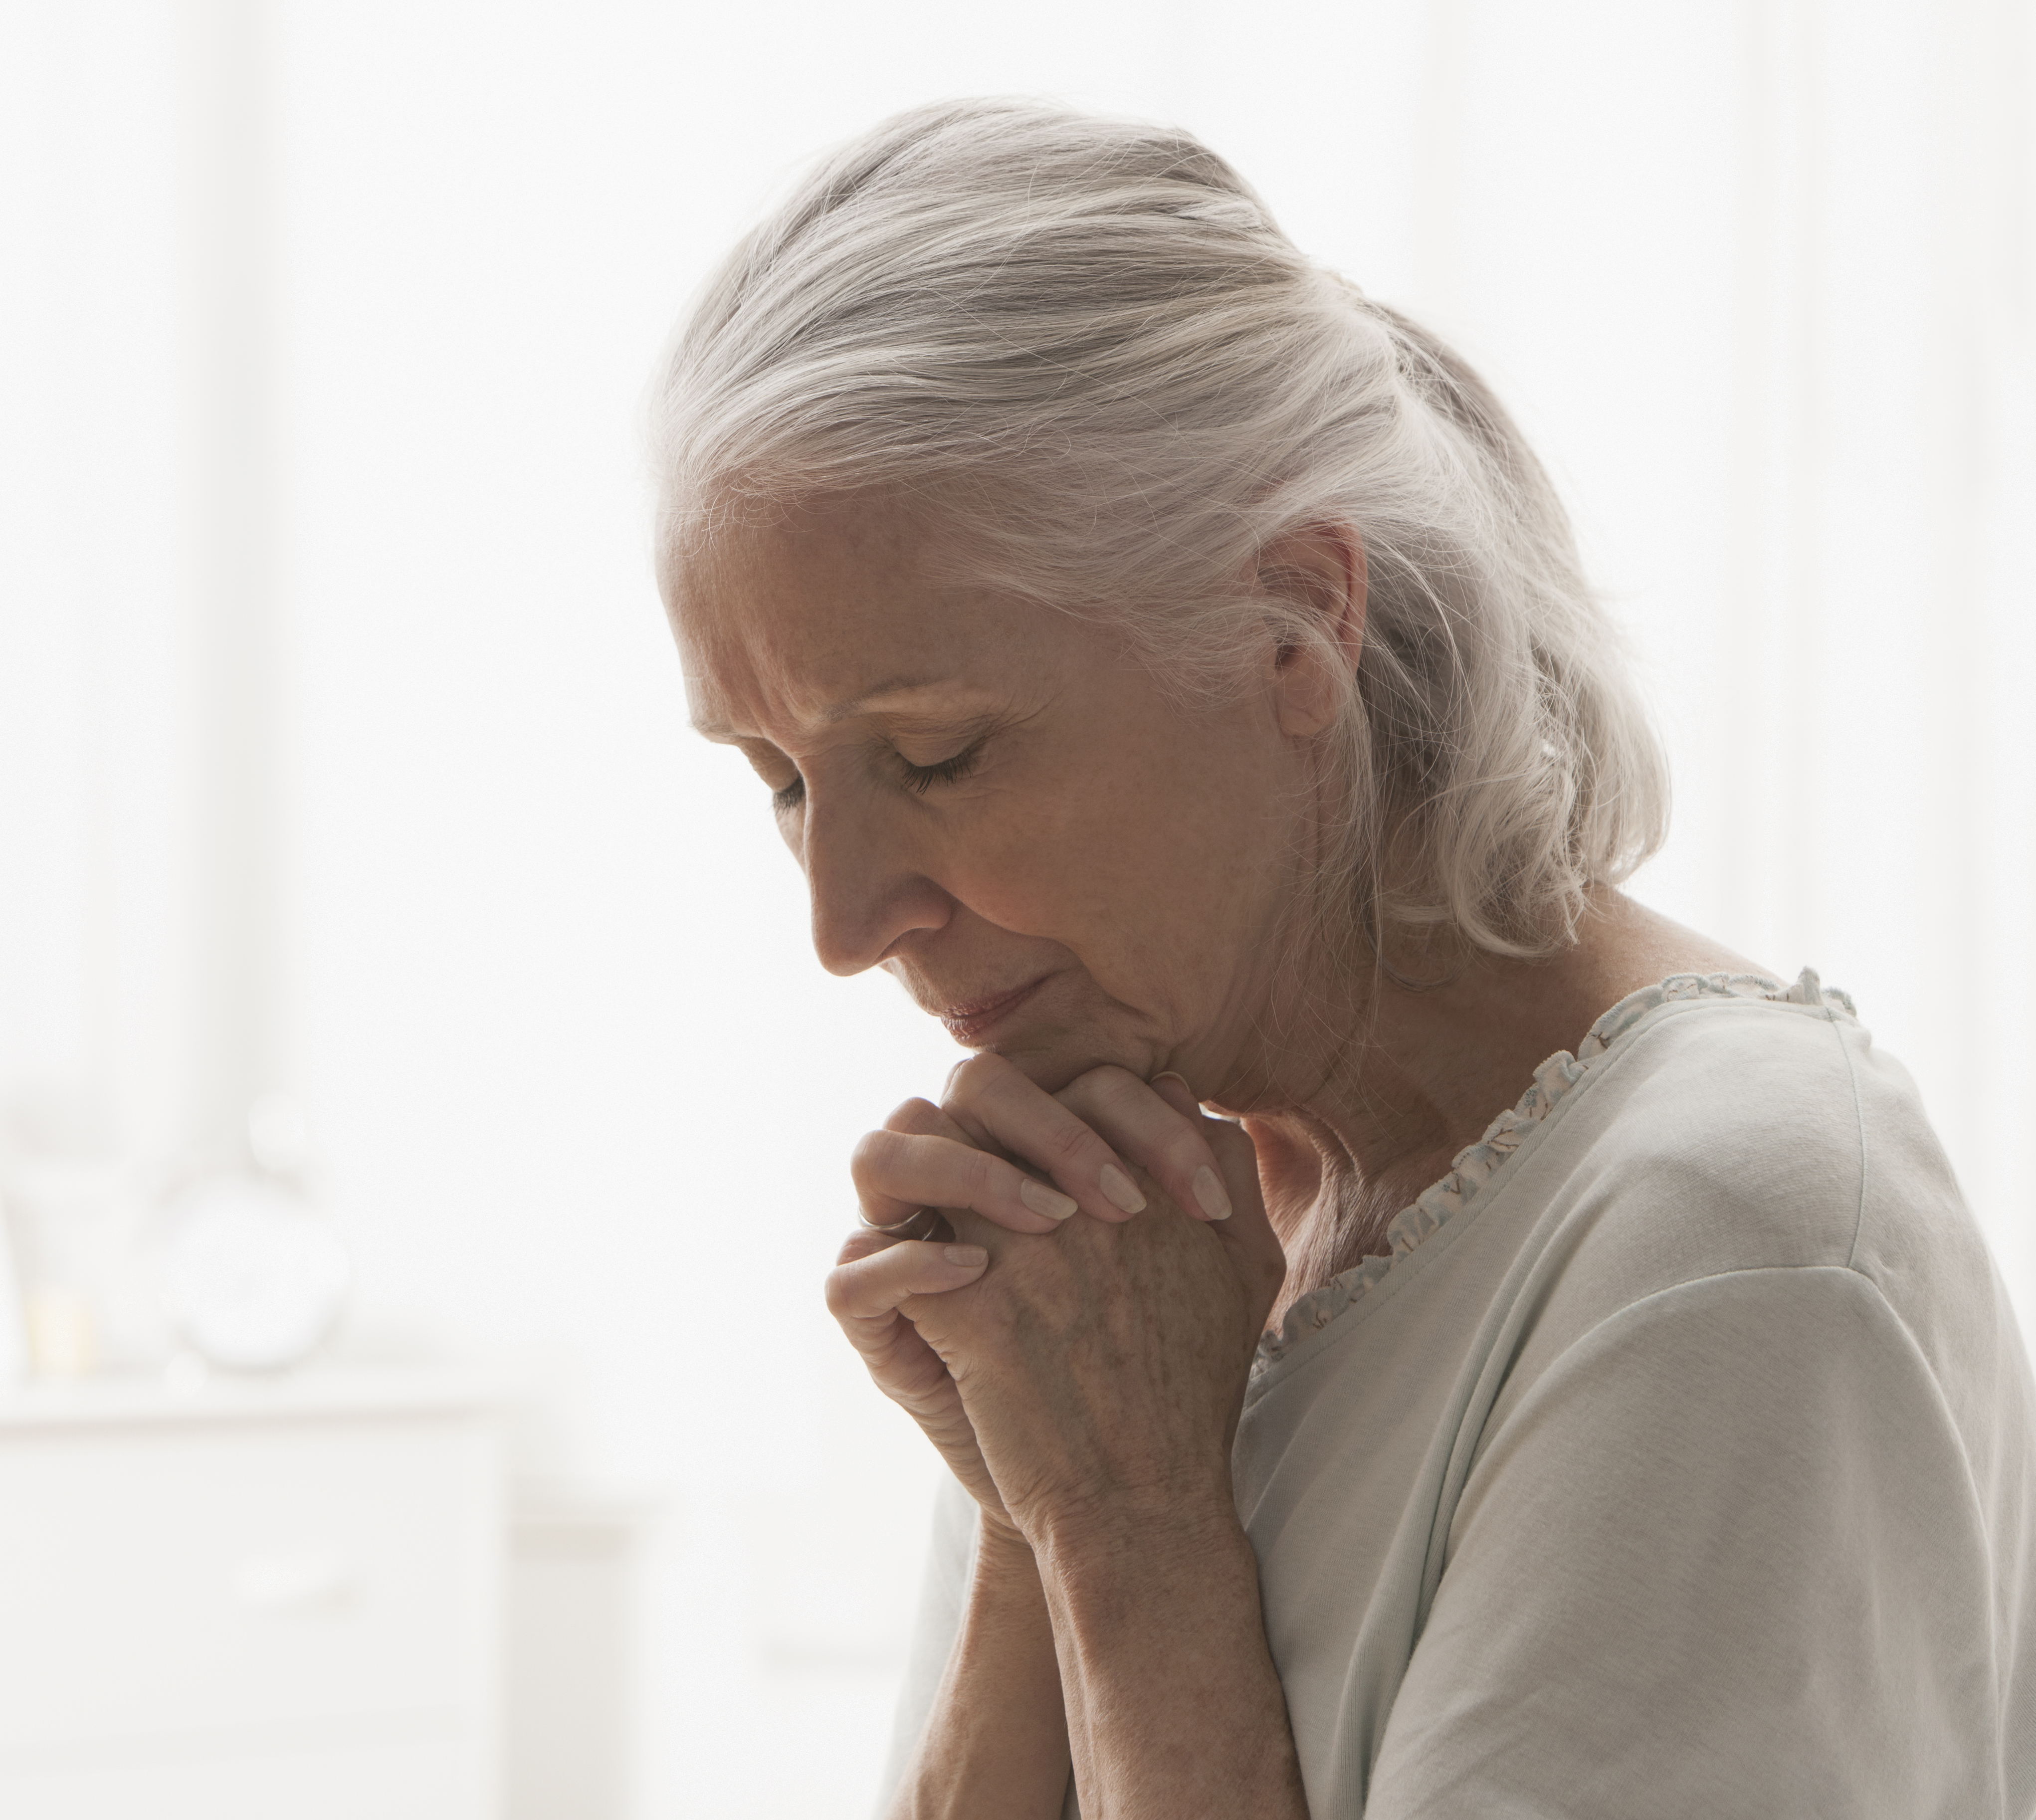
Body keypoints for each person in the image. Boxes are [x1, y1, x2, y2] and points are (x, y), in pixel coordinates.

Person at [648, 98, 2036, 1819]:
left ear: (1295, 624)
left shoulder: (1732, 1250)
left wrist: (1137, 1527)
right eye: (781, 780)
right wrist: (1035, 1509)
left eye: (936, 756)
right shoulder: (1129, 1223)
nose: (841, 925)